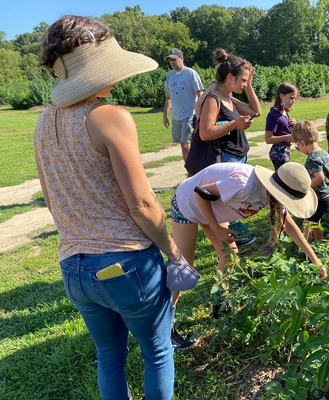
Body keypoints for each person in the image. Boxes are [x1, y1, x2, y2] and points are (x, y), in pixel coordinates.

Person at [34, 16, 185, 400]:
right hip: (127, 263)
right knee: (157, 351)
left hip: (74, 266)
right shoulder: (109, 116)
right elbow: (142, 203)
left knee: (109, 356)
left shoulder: (43, 122)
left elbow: (52, 201)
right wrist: (174, 252)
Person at [170, 162, 327, 318]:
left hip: (212, 209)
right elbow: (200, 192)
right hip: (187, 204)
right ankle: (166, 325)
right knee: (183, 270)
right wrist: (217, 229)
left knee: (229, 255)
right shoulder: (245, 185)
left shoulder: (273, 194)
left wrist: (316, 260)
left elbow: (290, 226)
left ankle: (220, 304)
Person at [191, 48, 262, 246]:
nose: (245, 84)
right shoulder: (213, 100)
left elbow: (256, 111)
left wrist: (249, 86)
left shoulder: (230, 99)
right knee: (227, 201)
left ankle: (234, 236)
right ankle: (229, 241)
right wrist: (234, 124)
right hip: (225, 157)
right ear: (230, 77)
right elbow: (205, 133)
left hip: (238, 156)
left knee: (234, 199)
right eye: (242, 80)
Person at [292, 121, 329, 243]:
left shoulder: (312, 158)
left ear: (300, 143)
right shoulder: (324, 153)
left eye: (297, 146)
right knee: (316, 221)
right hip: (327, 195)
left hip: (320, 198)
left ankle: (304, 248)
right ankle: (319, 243)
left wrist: (303, 188)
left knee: (307, 223)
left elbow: (319, 177)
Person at [163, 48, 204, 164]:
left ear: (181, 59)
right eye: (170, 60)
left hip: (189, 114)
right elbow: (169, 97)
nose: (172, 62)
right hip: (176, 116)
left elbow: (200, 93)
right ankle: (188, 171)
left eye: (174, 59)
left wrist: (200, 114)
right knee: (182, 145)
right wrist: (165, 115)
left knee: (186, 144)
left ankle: (194, 171)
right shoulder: (170, 76)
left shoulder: (191, 73)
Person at [264, 82, 298, 171]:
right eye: (291, 98)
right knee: (285, 179)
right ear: (281, 96)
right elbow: (268, 139)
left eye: (294, 98)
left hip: (285, 150)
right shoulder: (273, 115)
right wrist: (288, 137)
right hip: (278, 152)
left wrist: (294, 125)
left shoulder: (284, 112)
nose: (293, 101)